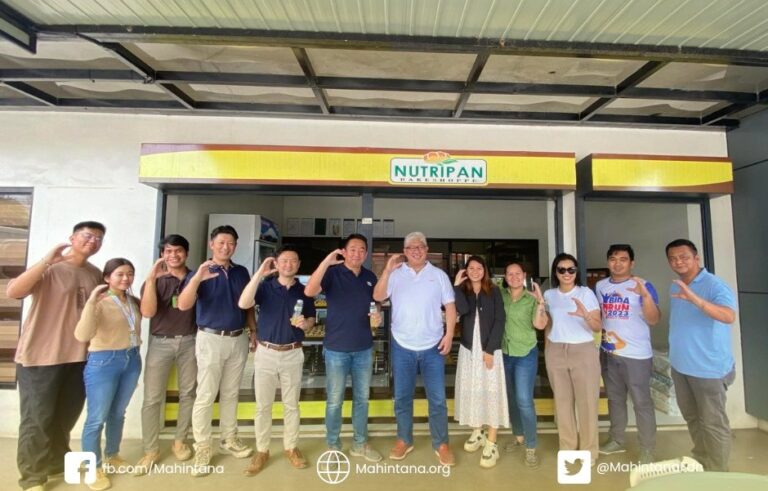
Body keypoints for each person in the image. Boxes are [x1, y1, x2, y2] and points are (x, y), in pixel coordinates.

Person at [8, 221, 105, 491]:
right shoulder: (50, 268)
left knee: (65, 417)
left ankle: (55, 462)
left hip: (78, 358)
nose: (93, 241)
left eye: (98, 238)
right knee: (37, 419)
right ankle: (32, 478)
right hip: (41, 357)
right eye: (87, 236)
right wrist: (44, 261)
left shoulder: (95, 273)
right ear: (72, 238)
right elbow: (14, 292)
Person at [373, 231, 457, 466]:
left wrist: (449, 334)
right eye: (411, 248)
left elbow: (450, 307)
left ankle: (441, 444)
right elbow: (378, 295)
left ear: (427, 249)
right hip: (402, 346)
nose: (416, 251)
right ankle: (404, 440)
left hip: (433, 347)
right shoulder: (397, 274)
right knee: (402, 397)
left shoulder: (439, 275)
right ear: (405, 251)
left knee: (438, 399)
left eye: (420, 247)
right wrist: (388, 270)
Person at [177, 225, 255, 476]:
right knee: (206, 394)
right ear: (212, 244)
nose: (225, 247)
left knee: (232, 392)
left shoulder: (241, 272)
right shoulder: (201, 271)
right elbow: (183, 304)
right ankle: (202, 446)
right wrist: (198, 278)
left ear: (236, 245)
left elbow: (248, 304)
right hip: (210, 338)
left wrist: (253, 331)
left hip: (237, 337)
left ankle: (229, 438)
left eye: (230, 243)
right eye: (221, 242)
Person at [237, 245, 316, 475]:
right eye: (284, 261)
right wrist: (260, 272)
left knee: (292, 404)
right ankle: (262, 450)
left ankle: (291, 447)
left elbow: (311, 319)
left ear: (299, 265)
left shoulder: (305, 291)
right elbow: (244, 303)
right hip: (266, 353)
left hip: (293, 352)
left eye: (293, 261)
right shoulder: (265, 287)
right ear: (277, 263)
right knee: (263, 406)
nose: (288, 264)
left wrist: (306, 324)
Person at [304, 234, 383, 461]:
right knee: (335, 400)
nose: (357, 253)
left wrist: (376, 313)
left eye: (361, 250)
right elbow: (309, 291)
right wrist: (327, 261)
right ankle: (333, 445)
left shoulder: (369, 276)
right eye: (353, 249)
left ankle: (360, 443)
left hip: (364, 348)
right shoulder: (332, 273)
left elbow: (375, 301)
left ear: (366, 254)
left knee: (362, 399)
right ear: (344, 251)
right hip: (336, 348)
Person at [665, 238, 737, 471]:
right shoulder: (676, 285)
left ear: (696, 258)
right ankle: (701, 459)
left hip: (708, 369)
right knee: (693, 418)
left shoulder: (715, 285)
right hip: (681, 366)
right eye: (673, 258)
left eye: (684, 256)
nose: (678, 261)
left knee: (713, 423)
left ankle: (718, 473)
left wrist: (695, 298)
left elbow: (728, 316)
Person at [75, 258, 142, 491]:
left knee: (118, 413)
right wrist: (91, 302)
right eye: (120, 274)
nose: (126, 278)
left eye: (130, 274)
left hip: (132, 359)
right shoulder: (100, 302)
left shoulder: (132, 302)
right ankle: (93, 467)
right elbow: (82, 335)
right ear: (107, 278)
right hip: (104, 362)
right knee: (96, 418)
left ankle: (112, 455)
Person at [135, 235, 197, 475]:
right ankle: (150, 449)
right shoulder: (155, 280)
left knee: (188, 393)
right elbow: (148, 312)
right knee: (152, 398)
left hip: (191, 341)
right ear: (162, 254)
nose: (173, 255)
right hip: (160, 343)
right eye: (168, 251)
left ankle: (179, 440)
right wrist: (151, 279)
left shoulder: (195, 278)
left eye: (178, 251)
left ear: (186, 253)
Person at [596, 244, 660, 465]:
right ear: (608, 262)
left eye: (623, 259)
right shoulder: (600, 286)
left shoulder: (642, 285)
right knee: (615, 400)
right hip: (609, 352)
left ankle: (648, 449)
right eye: (613, 258)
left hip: (637, 355)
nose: (617, 263)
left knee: (642, 402)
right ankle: (616, 439)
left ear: (631, 263)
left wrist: (646, 298)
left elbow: (653, 319)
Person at [544, 253, 602, 462]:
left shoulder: (586, 293)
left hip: (583, 351)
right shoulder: (549, 295)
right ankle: (567, 449)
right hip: (556, 350)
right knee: (562, 403)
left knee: (587, 403)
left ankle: (589, 452)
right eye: (562, 269)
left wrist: (585, 315)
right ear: (555, 272)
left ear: (576, 272)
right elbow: (547, 325)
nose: (567, 273)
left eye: (571, 270)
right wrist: (548, 349)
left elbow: (597, 326)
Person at [452, 256, 508, 468]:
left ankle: (492, 441)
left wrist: (490, 349)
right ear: (466, 271)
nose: (475, 271)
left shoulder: (493, 291)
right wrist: (456, 286)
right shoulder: (463, 291)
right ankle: (477, 431)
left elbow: (500, 320)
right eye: (471, 268)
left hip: (489, 350)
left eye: (479, 268)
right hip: (469, 349)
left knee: (491, 391)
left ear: (485, 270)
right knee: (473, 389)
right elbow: (464, 310)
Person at [500, 262, 547, 468]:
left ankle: (530, 446)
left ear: (524, 275)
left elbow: (539, 325)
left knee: (524, 400)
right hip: (504, 353)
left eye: (517, 273)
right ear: (505, 276)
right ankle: (518, 436)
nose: (514, 277)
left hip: (525, 354)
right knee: (511, 399)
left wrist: (540, 304)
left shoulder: (531, 299)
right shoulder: (499, 295)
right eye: (510, 274)